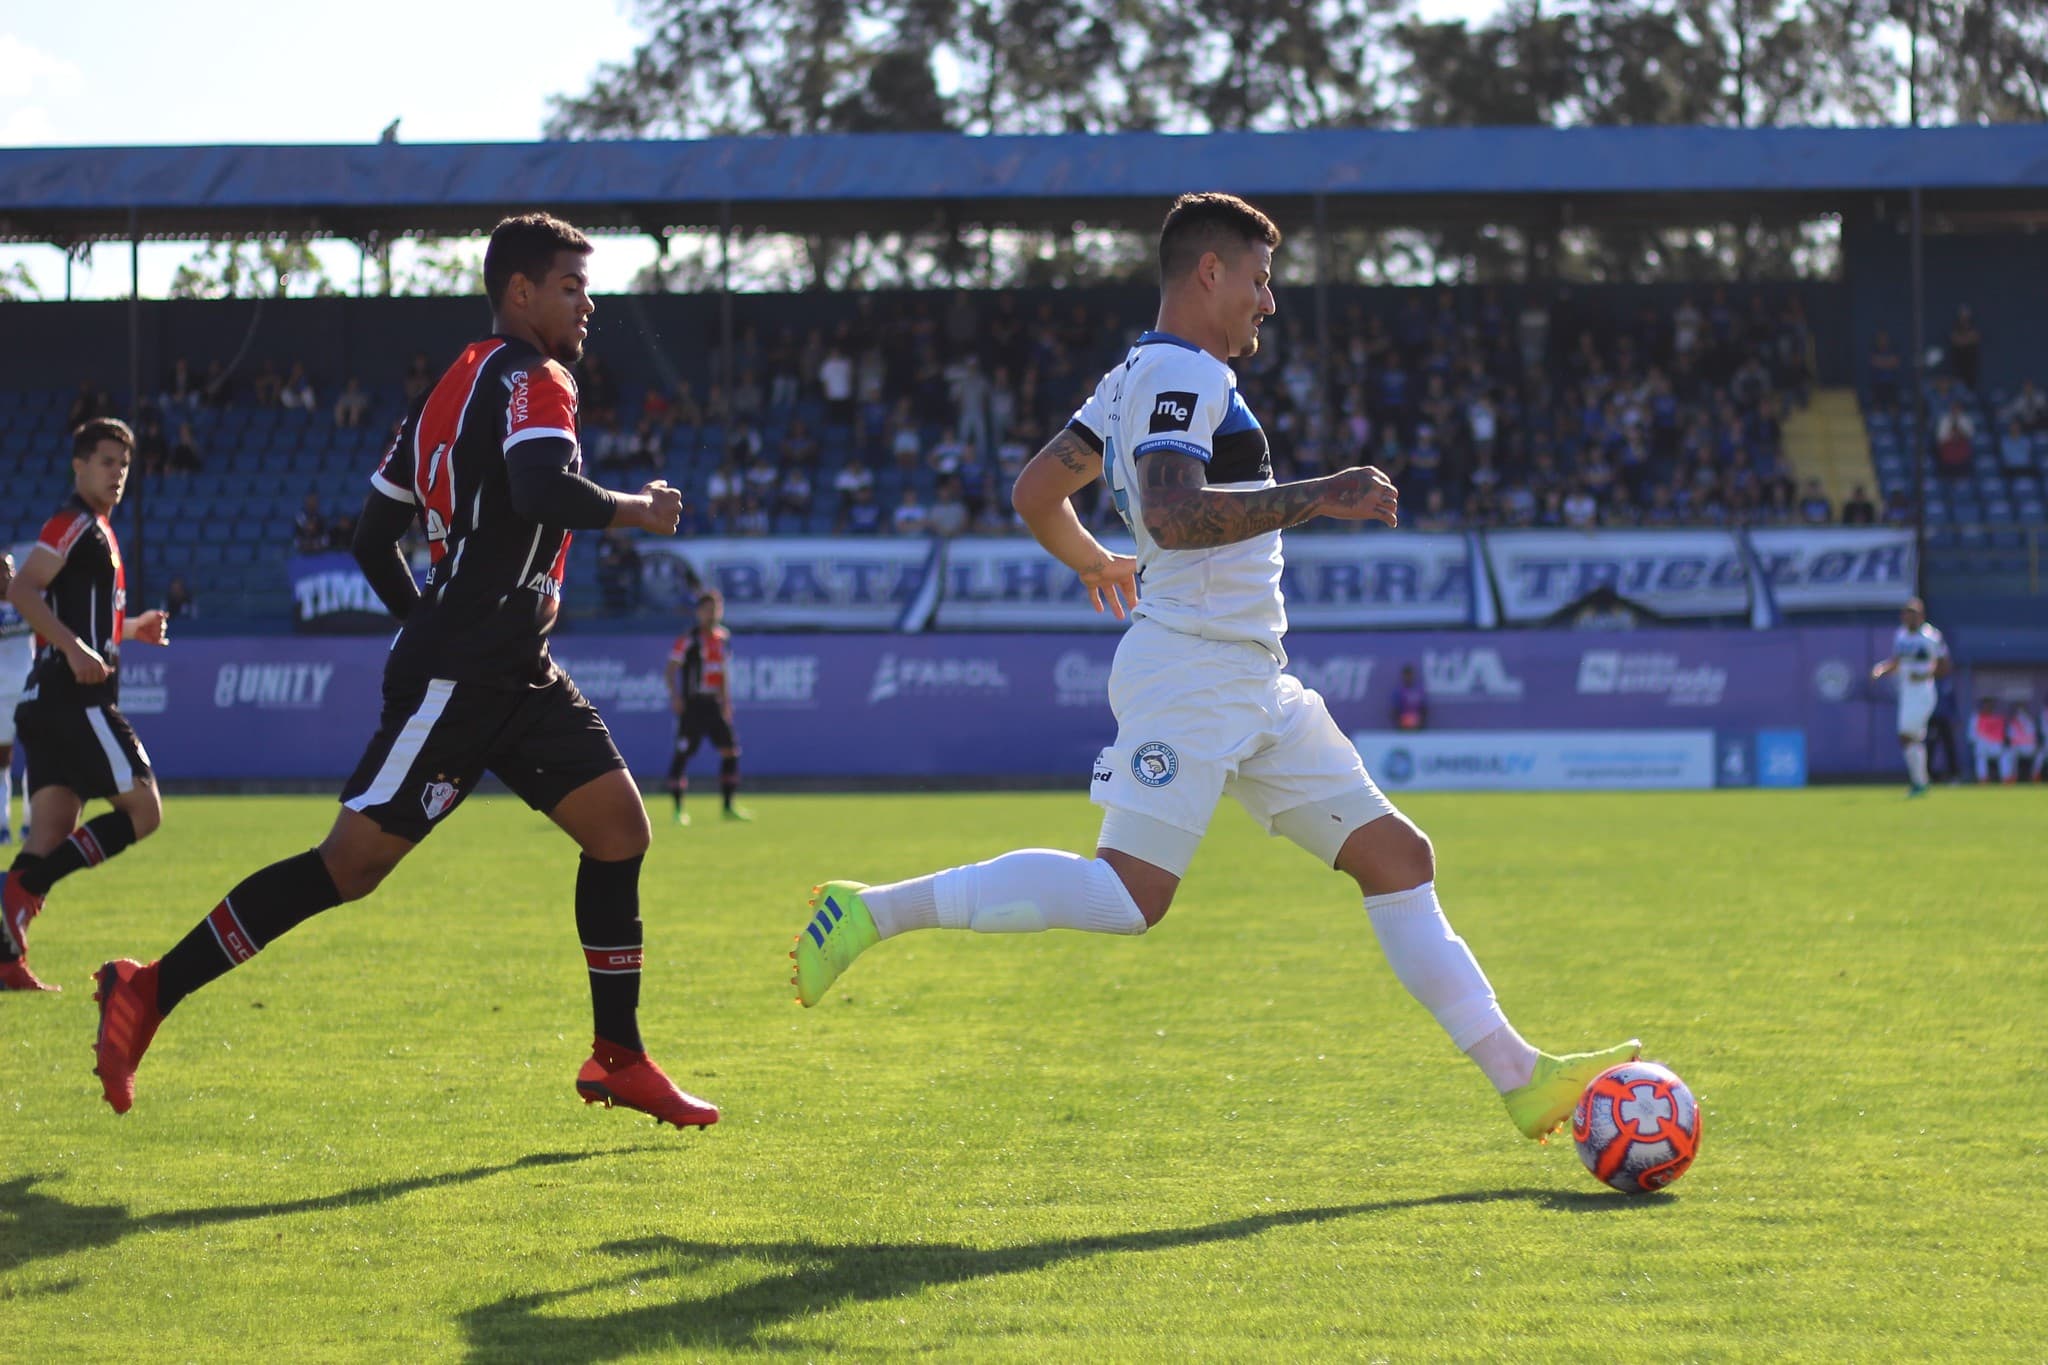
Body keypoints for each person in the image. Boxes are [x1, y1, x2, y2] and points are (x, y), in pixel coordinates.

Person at [787, 192, 1638, 1145]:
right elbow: (1180, 511)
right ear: (1210, 273)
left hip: (1251, 678)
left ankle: (1520, 1078)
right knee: (1126, 896)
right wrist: (1324, 494)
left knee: (1398, 857)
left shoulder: (1131, 378)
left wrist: (1098, 562)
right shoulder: (1183, 374)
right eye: (1261, 279)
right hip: (1193, 670)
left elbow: (1037, 490)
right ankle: (871, 911)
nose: (1267, 302)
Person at [86, 214, 718, 1130]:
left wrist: (429, 613)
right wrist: (636, 511)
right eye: (574, 287)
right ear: (520, 292)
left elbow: (371, 535)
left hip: (511, 665)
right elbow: (543, 489)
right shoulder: (539, 378)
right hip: (466, 673)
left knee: (619, 830)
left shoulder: (446, 390)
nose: (589, 305)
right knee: (348, 867)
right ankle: (149, 989)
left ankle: (617, 1055)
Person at [3, 419, 172, 993]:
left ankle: (5, 959)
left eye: (123, 465)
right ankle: (19, 891)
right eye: (106, 462)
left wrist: (131, 629)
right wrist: (76, 647)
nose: (117, 474)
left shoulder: (97, 530)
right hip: (73, 699)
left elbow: (86, 618)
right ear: (78, 465)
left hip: (47, 700)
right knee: (144, 811)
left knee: (50, 831)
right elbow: (23, 589)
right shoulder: (74, 523)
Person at [663, 590, 749, 827]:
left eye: (717, 609)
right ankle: (678, 809)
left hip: (713, 704)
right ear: (699, 612)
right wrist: (676, 697)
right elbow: (670, 669)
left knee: (730, 750)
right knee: (683, 753)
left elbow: (722, 673)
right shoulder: (689, 639)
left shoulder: (723, 638)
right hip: (693, 705)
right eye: (709, 609)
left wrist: (726, 701)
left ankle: (728, 806)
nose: (713, 614)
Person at [1870, 596, 1951, 797]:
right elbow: (1897, 662)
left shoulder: (1931, 637)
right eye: (1907, 613)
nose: (1910, 617)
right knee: (1910, 737)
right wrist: (1882, 669)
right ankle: (1921, 781)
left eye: (1914, 613)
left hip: (1923, 690)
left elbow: (1945, 666)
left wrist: (1925, 674)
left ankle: (1920, 782)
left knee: (1907, 735)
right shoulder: (1901, 636)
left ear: (1922, 615)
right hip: (1906, 691)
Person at [0, 547, 34, 847]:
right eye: (1, 570)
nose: (6, 575)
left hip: (27, 691)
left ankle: (30, 823)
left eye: (9, 569)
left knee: (36, 757)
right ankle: (2, 824)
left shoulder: (28, 605)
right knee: (2, 761)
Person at [1392, 664, 1428, 731]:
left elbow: (1424, 709)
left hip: (1418, 726)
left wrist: (1421, 723)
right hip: (1402, 726)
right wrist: (1400, 724)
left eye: (1410, 675)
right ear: (1403, 676)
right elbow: (1395, 711)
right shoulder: (1398, 692)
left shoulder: (1419, 691)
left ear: (1413, 675)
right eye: (1406, 675)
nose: (1408, 677)